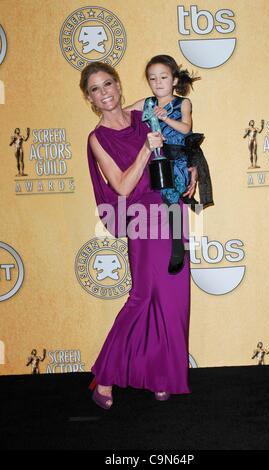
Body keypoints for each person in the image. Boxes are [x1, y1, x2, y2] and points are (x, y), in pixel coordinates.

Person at [80, 62, 198, 409]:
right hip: (142, 218)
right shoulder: (97, 138)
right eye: (96, 89)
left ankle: (162, 377)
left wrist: (190, 166)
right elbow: (122, 186)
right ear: (89, 97)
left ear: (118, 84)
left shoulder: (142, 114)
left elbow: (178, 140)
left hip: (171, 209)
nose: (105, 93)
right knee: (143, 297)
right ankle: (104, 375)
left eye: (108, 84)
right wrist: (146, 149)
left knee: (174, 301)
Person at [126, 55, 213, 273]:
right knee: (154, 202)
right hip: (154, 160)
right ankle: (158, 248)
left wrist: (165, 118)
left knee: (172, 196)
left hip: (178, 160)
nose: (158, 82)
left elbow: (186, 129)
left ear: (174, 80)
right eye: (152, 78)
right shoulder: (147, 103)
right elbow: (122, 113)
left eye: (163, 77)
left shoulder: (182, 102)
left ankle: (178, 247)